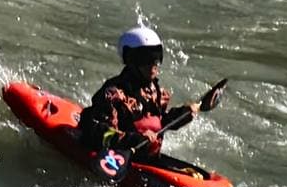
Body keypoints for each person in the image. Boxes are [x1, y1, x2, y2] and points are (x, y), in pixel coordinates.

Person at [78, 26, 199, 160]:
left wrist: (184, 114)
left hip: (147, 158)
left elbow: (159, 122)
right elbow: (98, 132)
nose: (154, 63)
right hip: (122, 156)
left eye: (157, 56)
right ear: (131, 60)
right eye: (146, 58)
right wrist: (135, 139)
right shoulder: (113, 94)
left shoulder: (156, 91)